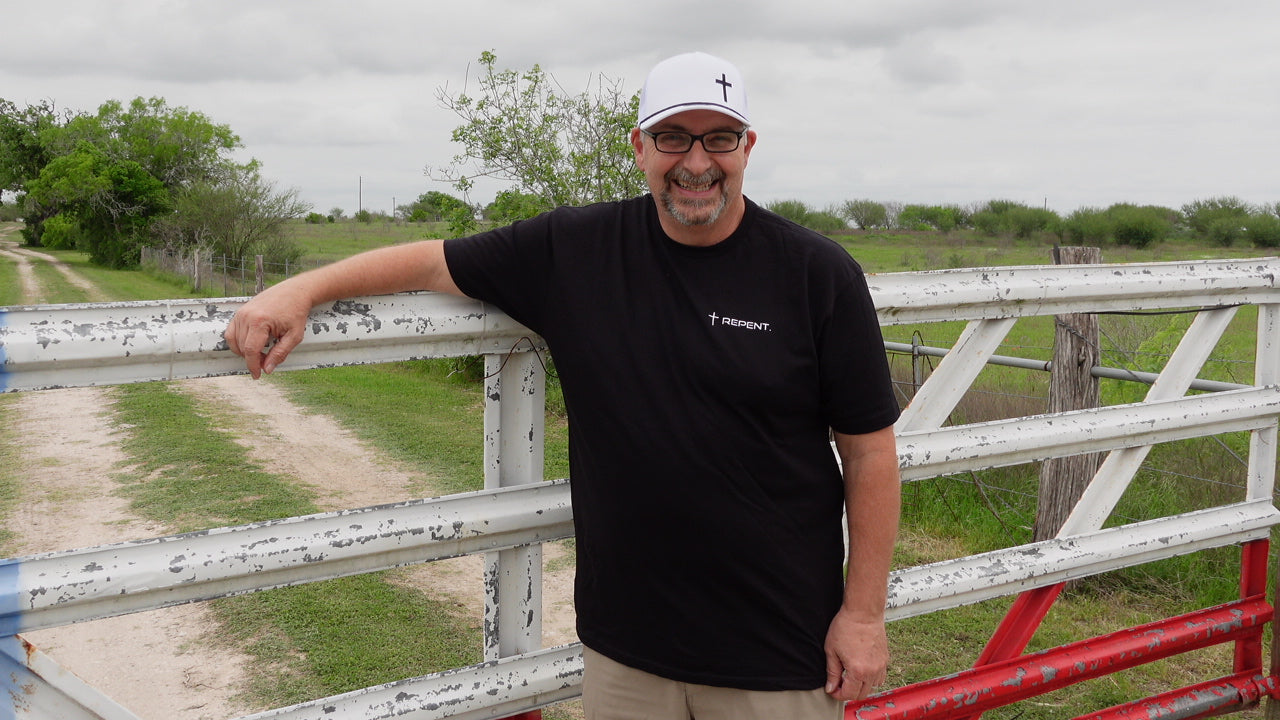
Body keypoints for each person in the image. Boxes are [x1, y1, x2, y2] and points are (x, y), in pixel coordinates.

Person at [224, 51, 901, 720]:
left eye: (719, 139)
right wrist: (302, 288)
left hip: (777, 653)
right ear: (639, 147)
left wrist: (864, 615)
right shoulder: (575, 250)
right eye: (673, 138)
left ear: (747, 146)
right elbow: (431, 263)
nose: (696, 163)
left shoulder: (816, 274)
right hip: (627, 652)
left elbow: (870, 453)